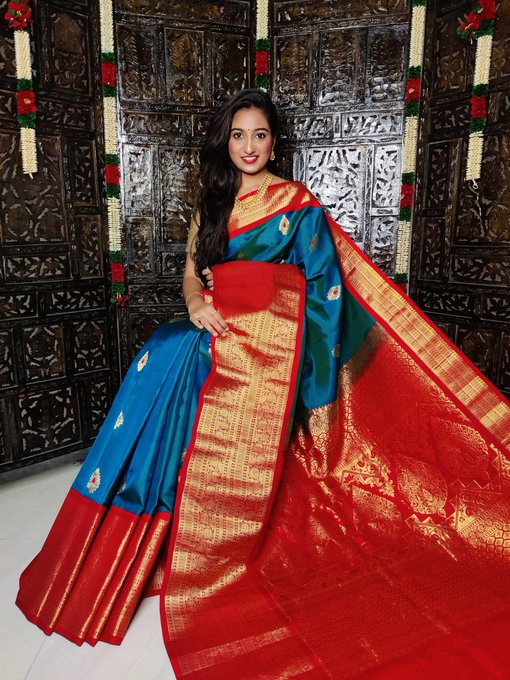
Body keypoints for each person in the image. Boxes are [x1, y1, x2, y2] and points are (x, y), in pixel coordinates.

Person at [16, 89, 510, 679]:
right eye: (238, 135)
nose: (249, 146)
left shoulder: (296, 204)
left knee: (184, 358)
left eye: (260, 135)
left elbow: (324, 289)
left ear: (274, 143)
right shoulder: (214, 200)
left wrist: (296, 355)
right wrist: (196, 303)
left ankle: (205, 526)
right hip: (213, 327)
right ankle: (145, 529)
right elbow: (192, 274)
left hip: (270, 350)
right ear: (226, 142)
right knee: (167, 349)